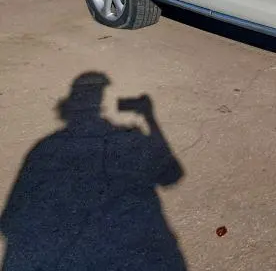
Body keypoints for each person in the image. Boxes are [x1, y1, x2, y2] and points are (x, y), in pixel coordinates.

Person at [0, 71, 186, 270]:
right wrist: (150, 118)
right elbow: (171, 174)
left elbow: (12, 220)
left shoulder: (46, 149)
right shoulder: (128, 140)